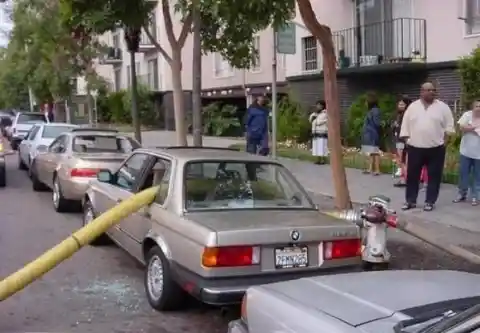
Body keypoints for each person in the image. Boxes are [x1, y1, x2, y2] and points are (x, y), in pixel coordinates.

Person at [399, 82, 455, 211]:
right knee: (412, 176)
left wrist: (444, 143)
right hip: (415, 148)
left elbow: (449, 127)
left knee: (434, 176)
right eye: (428, 90)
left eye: (433, 90)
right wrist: (408, 140)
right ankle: (410, 201)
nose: (432, 92)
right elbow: (405, 126)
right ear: (422, 91)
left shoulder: (443, 107)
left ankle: (430, 201)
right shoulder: (413, 107)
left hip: (436, 148)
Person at [452, 99, 480, 206]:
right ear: (473, 107)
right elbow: (461, 127)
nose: (479, 108)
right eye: (477, 106)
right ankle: (461, 194)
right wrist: (472, 128)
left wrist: (471, 128)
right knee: (464, 174)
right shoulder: (467, 115)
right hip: (466, 151)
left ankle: (475, 196)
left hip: (479, 154)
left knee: (478, 176)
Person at [361, 92, 382, 175]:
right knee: (370, 151)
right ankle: (370, 168)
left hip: (372, 133)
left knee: (375, 151)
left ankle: (377, 169)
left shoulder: (375, 111)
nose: (365, 103)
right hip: (368, 133)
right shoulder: (371, 111)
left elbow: (377, 123)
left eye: (366, 101)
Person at [392, 96, 411, 187]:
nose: (400, 106)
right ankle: (404, 178)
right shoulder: (399, 115)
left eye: (402, 104)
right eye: (399, 104)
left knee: (403, 160)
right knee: (401, 160)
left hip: (403, 140)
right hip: (399, 139)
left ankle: (406, 179)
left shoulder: (406, 115)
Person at [309, 100, 328, 164]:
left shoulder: (325, 113)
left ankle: (323, 159)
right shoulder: (315, 113)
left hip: (322, 131)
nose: (318, 106)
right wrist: (313, 118)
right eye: (317, 105)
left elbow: (320, 122)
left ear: (323, 106)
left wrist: (315, 120)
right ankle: (318, 159)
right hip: (315, 131)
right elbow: (310, 120)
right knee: (316, 146)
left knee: (322, 146)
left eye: (319, 105)